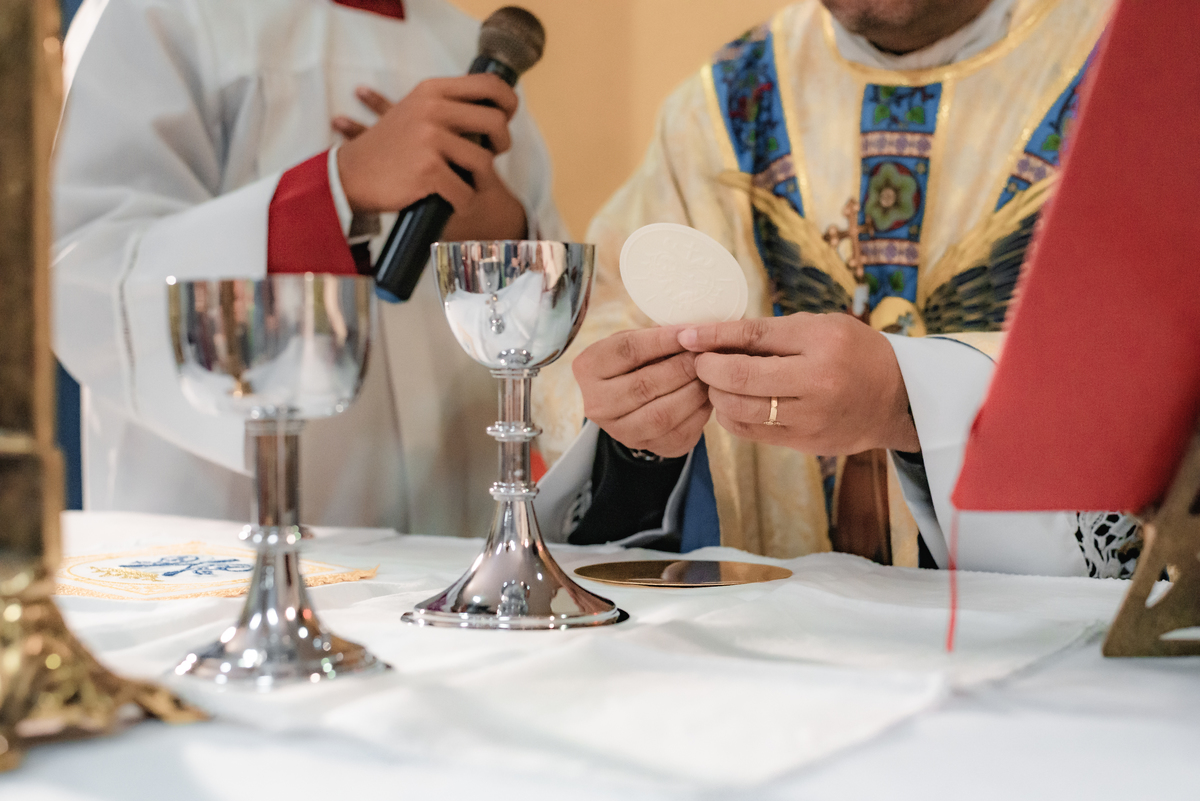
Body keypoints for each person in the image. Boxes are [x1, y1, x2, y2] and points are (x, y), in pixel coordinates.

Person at [533, 0, 1137, 578]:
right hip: (788, 631)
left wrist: (909, 401)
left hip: (1045, 632)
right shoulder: (728, 102)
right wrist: (637, 420)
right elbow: (604, 320)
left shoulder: (1138, 72)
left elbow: (1154, 366)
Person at [53, 0, 566, 536]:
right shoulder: (160, 12)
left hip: (455, 532)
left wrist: (507, 231)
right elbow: (86, 272)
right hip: (221, 531)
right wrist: (333, 191)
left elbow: (571, 327)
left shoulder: (464, 45)